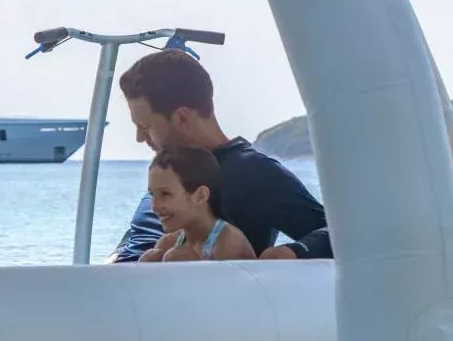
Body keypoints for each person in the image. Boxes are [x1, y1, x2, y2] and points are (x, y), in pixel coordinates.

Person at [109, 49, 330, 262]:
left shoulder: (254, 173)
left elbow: (335, 233)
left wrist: (291, 252)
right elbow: (137, 238)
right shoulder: (166, 169)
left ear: (182, 118)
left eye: (145, 126)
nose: (139, 138)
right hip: (121, 278)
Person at [138, 147, 255, 262]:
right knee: (151, 258)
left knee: (176, 257)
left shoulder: (228, 243)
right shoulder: (169, 243)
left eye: (165, 193)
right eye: (152, 194)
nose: (154, 206)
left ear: (200, 196)